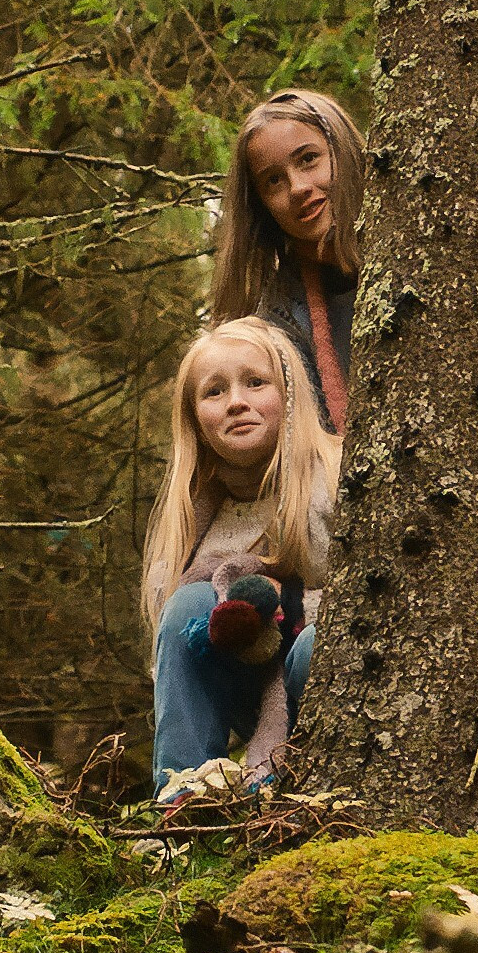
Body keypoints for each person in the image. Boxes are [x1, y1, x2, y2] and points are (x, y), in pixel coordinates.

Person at [142, 317, 343, 800]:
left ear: (290, 393)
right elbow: (174, 649)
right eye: (214, 392)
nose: (236, 401)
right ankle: (184, 798)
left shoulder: (338, 474)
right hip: (247, 684)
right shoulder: (194, 518)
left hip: (321, 677)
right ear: (194, 418)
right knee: (189, 604)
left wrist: (284, 604)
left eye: (256, 382)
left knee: (314, 641)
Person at [210, 89, 367, 435]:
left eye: (309, 159)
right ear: (262, 207)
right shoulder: (275, 321)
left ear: (345, 153)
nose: (297, 187)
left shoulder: (415, 254)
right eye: (273, 180)